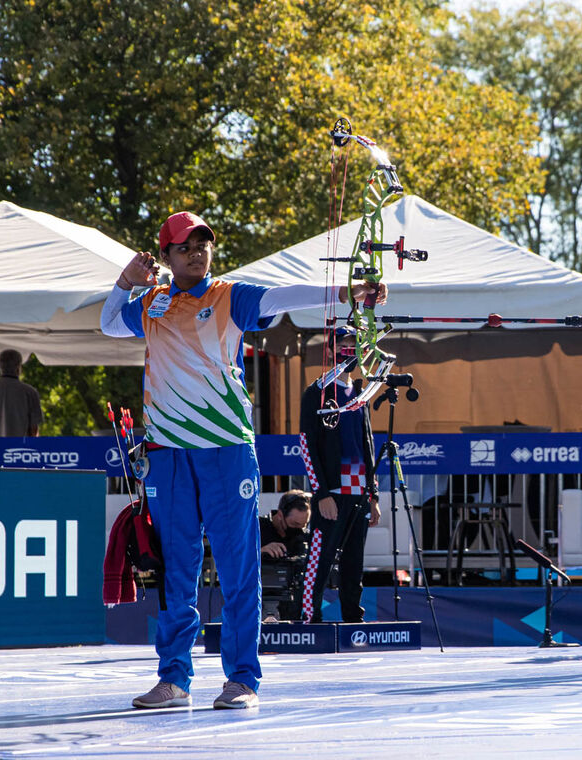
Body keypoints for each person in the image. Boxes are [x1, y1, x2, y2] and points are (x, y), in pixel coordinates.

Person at [100, 211, 386, 710]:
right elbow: (107, 323)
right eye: (185, 245)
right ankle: (174, 679)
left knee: (237, 569)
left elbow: (281, 296)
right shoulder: (151, 301)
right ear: (165, 255)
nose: (197, 251)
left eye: (204, 243)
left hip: (227, 452)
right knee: (176, 573)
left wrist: (347, 292)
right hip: (168, 455)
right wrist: (126, 280)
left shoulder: (228, 296)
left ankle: (242, 680)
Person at [297, 344, 381, 624]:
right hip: (331, 493)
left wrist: (373, 495)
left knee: (354, 562)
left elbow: (367, 444)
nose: (350, 355)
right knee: (320, 559)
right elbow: (306, 444)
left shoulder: (360, 393)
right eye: (343, 348)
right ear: (331, 352)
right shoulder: (317, 392)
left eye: (355, 348)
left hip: (359, 492)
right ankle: (310, 617)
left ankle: (353, 619)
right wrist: (320, 493)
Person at [260, 490, 312, 559]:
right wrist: (259, 552)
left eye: (304, 525)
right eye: (294, 524)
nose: (299, 530)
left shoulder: (306, 537)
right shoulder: (256, 529)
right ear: (280, 515)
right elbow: (241, 558)